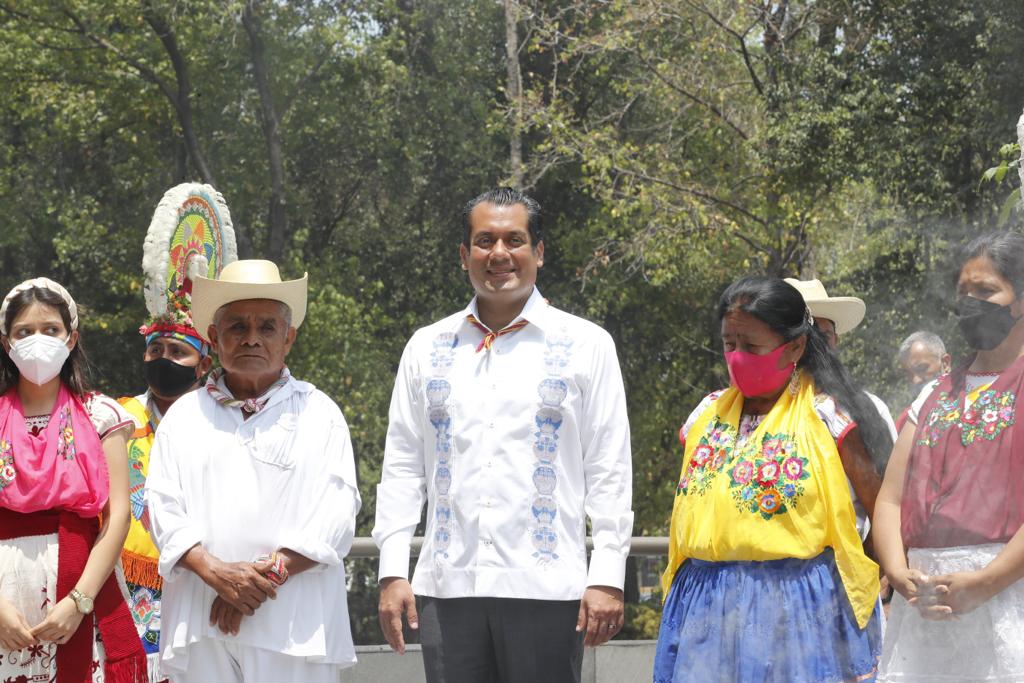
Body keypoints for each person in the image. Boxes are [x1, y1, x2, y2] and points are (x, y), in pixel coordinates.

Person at [373, 187, 633, 683]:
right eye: (484, 240)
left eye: (514, 240)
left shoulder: (586, 345)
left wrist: (607, 577)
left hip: (548, 588)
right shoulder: (427, 347)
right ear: (463, 255)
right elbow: (403, 467)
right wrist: (391, 571)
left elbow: (609, 469)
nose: (498, 254)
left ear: (538, 251)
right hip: (448, 589)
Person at [655, 276, 892, 682]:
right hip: (706, 607)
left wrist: (886, 581)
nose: (737, 356)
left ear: (795, 347)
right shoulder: (705, 417)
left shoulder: (827, 417)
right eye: (730, 344)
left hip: (797, 610)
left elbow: (882, 507)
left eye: (752, 346)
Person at [146, 259, 361, 682]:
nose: (251, 339)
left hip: (296, 624)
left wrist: (261, 579)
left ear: (289, 338)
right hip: (201, 618)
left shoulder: (320, 413)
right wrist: (215, 573)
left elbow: (336, 515)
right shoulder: (184, 417)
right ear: (213, 337)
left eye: (266, 327)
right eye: (237, 327)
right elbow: (162, 508)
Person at [875, 232, 1024, 680]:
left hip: (1007, 597)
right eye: (963, 293)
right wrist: (898, 573)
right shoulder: (933, 397)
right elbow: (890, 499)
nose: (971, 303)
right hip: (925, 611)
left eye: (986, 291)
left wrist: (986, 582)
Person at [0, 278, 147, 682]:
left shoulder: (101, 414)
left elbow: (118, 517)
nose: (37, 341)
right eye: (23, 332)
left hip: (82, 601)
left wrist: (78, 601)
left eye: (51, 330)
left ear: (71, 338)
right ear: (6, 343)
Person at [118, 183, 235, 681]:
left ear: (203, 362)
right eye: (155, 351)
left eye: (177, 353)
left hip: (204, 588)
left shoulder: (223, 419)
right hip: (124, 593)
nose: (163, 361)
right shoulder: (115, 418)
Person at [893, 331, 950, 433]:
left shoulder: (973, 404)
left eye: (922, 368)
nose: (915, 380)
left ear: (945, 363)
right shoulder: (906, 420)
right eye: (908, 373)